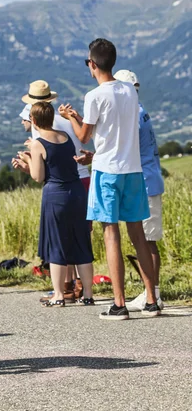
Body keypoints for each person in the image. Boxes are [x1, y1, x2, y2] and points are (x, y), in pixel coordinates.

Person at [59, 38, 160, 320]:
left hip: (107, 171)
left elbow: (83, 136)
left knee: (110, 234)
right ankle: (152, 299)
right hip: (133, 170)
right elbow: (112, 123)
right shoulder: (129, 90)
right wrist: (83, 118)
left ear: (92, 64)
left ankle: (119, 303)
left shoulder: (94, 96)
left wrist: (71, 117)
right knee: (138, 234)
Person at [12, 102, 95, 306]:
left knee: (57, 243)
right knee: (81, 242)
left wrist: (27, 160)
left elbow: (38, 176)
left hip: (56, 194)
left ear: (33, 120)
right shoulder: (65, 137)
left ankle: (58, 294)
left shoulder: (38, 143)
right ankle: (88, 294)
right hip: (76, 191)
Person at [114, 70, 165, 311]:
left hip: (145, 181)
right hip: (149, 178)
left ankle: (152, 293)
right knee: (146, 239)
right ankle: (150, 292)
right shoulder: (140, 110)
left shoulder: (133, 114)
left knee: (147, 240)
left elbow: (126, 148)